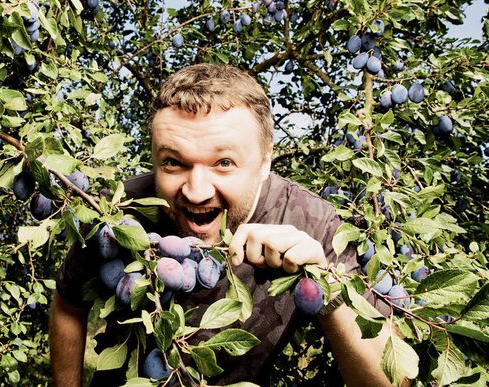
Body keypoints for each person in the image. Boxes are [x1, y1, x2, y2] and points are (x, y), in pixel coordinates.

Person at [50, 63, 395, 386]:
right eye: (173, 163)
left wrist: (326, 291)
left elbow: (391, 381)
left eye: (224, 162)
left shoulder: (310, 223)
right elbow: (68, 304)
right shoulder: (120, 213)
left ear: (264, 160)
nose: (196, 192)